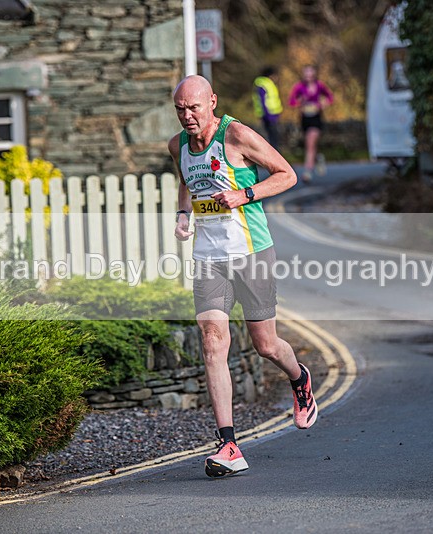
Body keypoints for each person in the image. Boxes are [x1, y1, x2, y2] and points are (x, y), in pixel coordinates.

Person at [168, 75, 318, 478]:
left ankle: (299, 377)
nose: (187, 116)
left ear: (212, 102)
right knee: (212, 342)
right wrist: (183, 215)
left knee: (265, 345)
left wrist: (244, 195)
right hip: (209, 259)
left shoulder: (236, 136)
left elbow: (287, 174)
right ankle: (229, 444)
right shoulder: (177, 146)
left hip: (252, 253)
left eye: (194, 107)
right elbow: (185, 182)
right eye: (180, 109)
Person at [287, 65, 334, 183]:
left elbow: (330, 97)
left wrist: (323, 104)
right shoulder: (299, 87)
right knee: (310, 145)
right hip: (304, 118)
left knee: (310, 143)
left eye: (310, 73)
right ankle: (318, 158)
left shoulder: (319, 85)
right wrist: (299, 102)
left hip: (316, 118)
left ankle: (307, 172)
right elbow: (291, 101)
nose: (308, 76)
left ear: (314, 74)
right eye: (306, 73)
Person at [252, 66, 283, 151]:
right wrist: (267, 114)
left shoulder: (266, 84)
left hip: (272, 114)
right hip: (268, 115)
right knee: (272, 137)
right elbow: (262, 100)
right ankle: (274, 153)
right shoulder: (264, 84)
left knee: (273, 136)